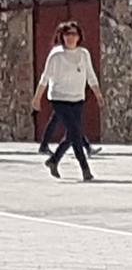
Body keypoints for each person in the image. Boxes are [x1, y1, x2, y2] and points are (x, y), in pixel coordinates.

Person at [33, 20, 102, 182]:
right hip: (59, 98)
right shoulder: (56, 54)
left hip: (77, 98)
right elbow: (45, 77)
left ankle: (54, 160)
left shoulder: (84, 54)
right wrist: (37, 98)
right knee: (75, 132)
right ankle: (85, 170)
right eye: (67, 34)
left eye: (74, 34)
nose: (71, 38)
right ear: (62, 36)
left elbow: (90, 75)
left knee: (73, 134)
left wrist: (98, 94)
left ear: (79, 37)